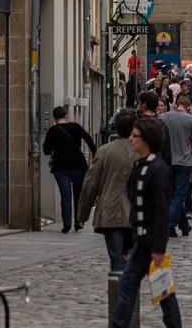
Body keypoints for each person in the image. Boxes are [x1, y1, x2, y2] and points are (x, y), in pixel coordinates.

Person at [111, 118, 182, 328]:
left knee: (154, 288)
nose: (131, 139)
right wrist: (128, 241)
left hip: (151, 241)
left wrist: (159, 247)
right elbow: (135, 208)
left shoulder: (158, 170)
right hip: (141, 240)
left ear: (147, 139)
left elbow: (161, 211)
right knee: (152, 288)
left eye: (135, 136)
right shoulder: (139, 166)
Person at [77, 110, 137, 272]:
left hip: (110, 212)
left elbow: (90, 184)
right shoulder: (140, 152)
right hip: (136, 213)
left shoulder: (104, 151)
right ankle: (129, 293)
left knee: (117, 259)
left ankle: (120, 293)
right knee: (133, 260)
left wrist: (82, 214)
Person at [42, 105, 96, 233]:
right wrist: (95, 155)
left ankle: (66, 224)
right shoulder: (75, 127)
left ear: (54, 117)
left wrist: (56, 148)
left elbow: (46, 150)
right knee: (78, 195)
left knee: (65, 196)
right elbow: (89, 140)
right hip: (78, 166)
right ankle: (78, 222)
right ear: (66, 115)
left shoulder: (52, 131)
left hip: (60, 167)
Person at [160, 95, 192, 238]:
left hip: (167, 160)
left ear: (176, 105)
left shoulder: (163, 118)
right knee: (180, 195)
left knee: (173, 195)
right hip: (185, 161)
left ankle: (185, 226)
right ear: (188, 107)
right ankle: (170, 223)